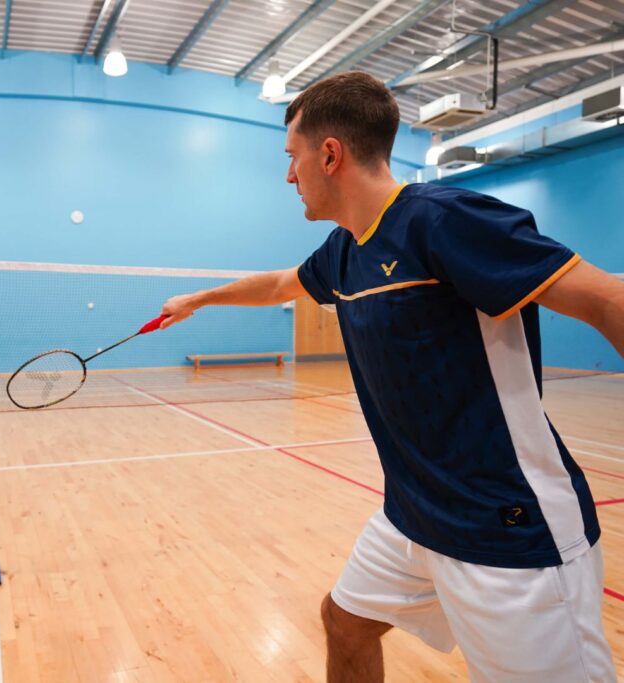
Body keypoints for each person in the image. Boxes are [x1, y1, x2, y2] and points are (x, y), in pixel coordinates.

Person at [160, 71, 623, 682]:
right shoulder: (345, 250)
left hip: (507, 527)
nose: (288, 175)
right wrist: (200, 298)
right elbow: (279, 284)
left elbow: (608, 298)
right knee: (344, 622)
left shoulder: (446, 220)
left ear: (330, 154)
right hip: (413, 514)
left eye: (293, 158)